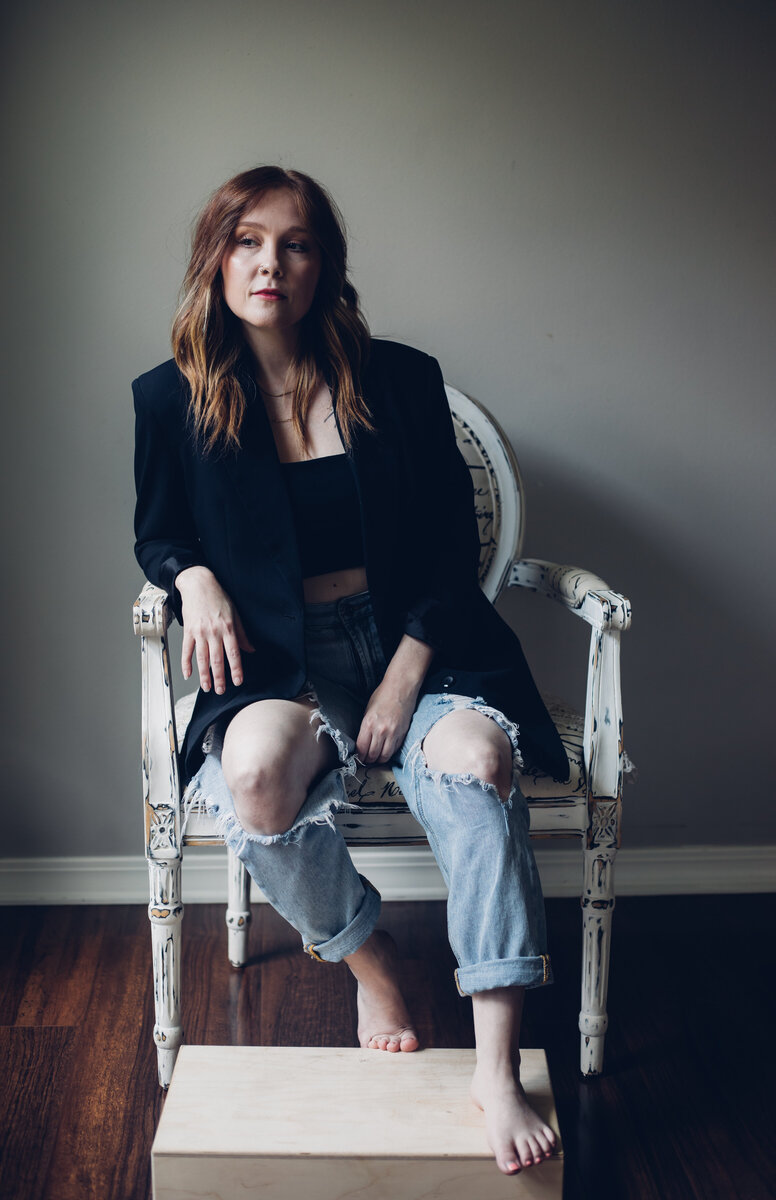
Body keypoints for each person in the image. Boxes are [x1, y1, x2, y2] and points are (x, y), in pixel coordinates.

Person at [133, 165, 568, 1177]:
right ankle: (371, 964)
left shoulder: (401, 380)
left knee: (471, 762)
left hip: (420, 639)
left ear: (323, 264)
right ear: (216, 257)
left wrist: (403, 674)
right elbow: (157, 533)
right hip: (275, 658)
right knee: (251, 776)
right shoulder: (171, 400)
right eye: (245, 241)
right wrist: (191, 575)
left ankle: (495, 1064)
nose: (268, 264)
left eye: (293, 243)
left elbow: (449, 553)